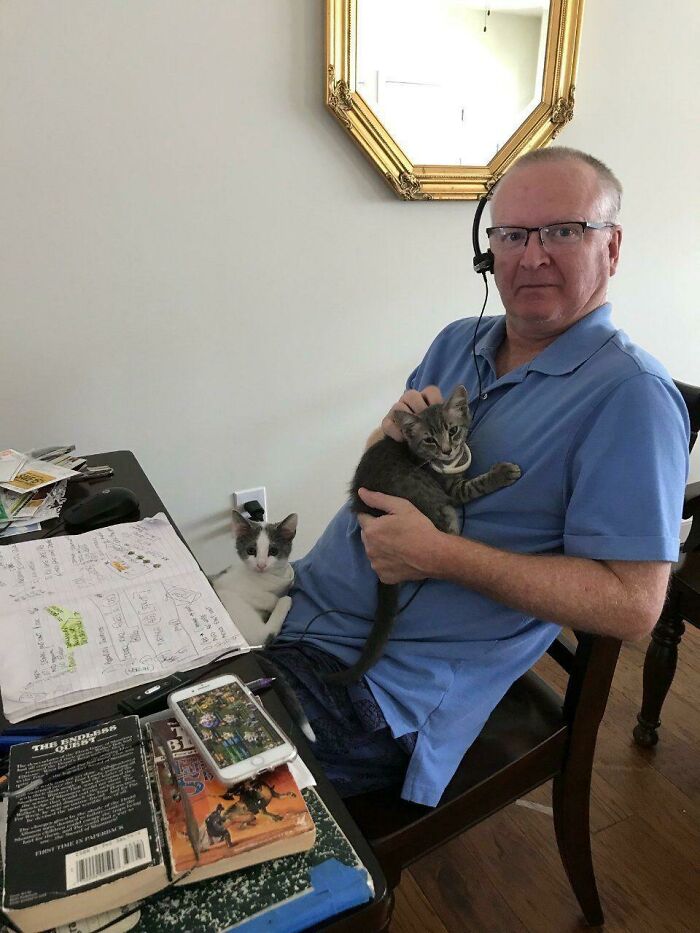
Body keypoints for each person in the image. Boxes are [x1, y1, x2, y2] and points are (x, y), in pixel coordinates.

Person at [263, 147, 690, 808]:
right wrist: (390, 434)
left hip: (378, 684)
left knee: (145, 780)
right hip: (293, 606)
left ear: (612, 246)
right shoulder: (458, 339)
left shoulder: (630, 397)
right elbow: (391, 455)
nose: (532, 255)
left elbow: (634, 605)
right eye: (512, 234)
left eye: (563, 231)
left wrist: (442, 556)